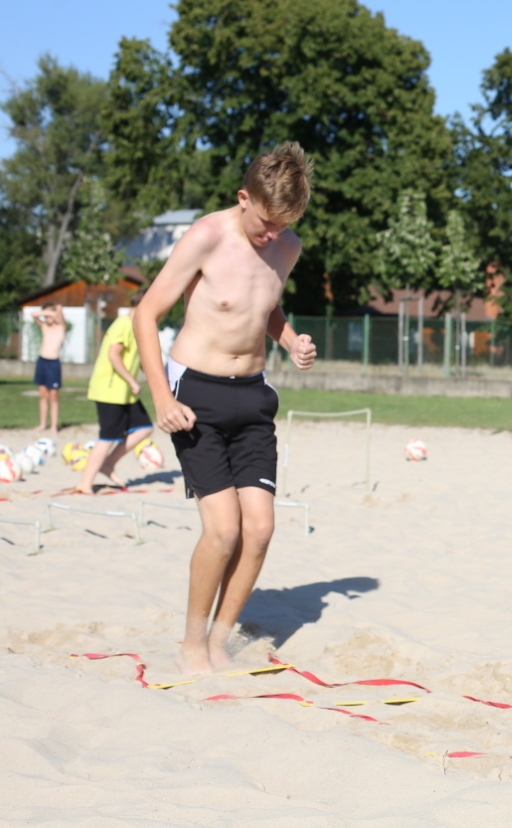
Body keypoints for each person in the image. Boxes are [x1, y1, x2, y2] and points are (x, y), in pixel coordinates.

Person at [132, 142, 317, 676]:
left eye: (283, 226)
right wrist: (161, 399)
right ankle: (191, 644)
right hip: (197, 397)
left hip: (254, 396)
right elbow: (146, 314)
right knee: (224, 531)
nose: (272, 236)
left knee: (259, 529)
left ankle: (219, 640)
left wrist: (290, 340)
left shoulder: (287, 246)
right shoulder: (206, 236)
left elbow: (265, 306)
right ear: (243, 198)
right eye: (264, 224)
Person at [76, 293, 154, 493]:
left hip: (124, 393)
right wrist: (131, 380)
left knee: (144, 428)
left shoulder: (137, 326)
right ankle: (85, 483)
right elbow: (114, 356)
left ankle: (108, 463)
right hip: (109, 390)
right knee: (108, 438)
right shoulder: (123, 324)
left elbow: (141, 361)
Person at [34, 302, 65, 432]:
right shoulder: (45, 327)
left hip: (53, 363)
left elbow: (60, 312)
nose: (47, 318)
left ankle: (53, 426)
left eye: (50, 315)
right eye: (46, 316)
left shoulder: (61, 327)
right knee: (43, 395)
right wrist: (47, 312)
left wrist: (55, 311)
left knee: (53, 396)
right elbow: (34, 314)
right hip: (42, 361)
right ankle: (42, 424)